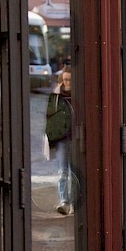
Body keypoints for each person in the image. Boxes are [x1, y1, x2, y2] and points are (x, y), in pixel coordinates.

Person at [46, 68, 74, 215]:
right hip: (62, 139)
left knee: (75, 172)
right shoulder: (56, 96)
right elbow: (50, 118)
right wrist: (50, 141)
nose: (66, 83)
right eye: (64, 80)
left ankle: (74, 202)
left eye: (69, 80)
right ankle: (64, 201)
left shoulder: (78, 94)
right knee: (62, 172)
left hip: (76, 138)